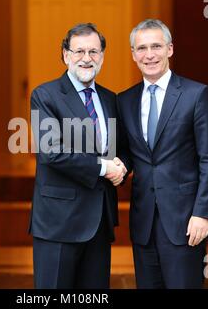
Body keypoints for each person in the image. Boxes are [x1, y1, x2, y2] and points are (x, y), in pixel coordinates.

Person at [116, 19, 208, 288]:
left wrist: (204, 213)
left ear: (170, 49)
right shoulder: (124, 100)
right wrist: (117, 166)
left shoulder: (196, 94)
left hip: (186, 221)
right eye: (141, 48)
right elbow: (129, 152)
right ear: (133, 54)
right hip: (143, 224)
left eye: (156, 46)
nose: (149, 54)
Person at [30, 23, 126, 289]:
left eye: (94, 51)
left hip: (99, 221)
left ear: (103, 57)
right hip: (58, 222)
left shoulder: (110, 99)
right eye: (79, 51)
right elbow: (52, 151)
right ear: (65, 54)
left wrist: (122, 166)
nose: (87, 58)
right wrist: (103, 168)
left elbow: (121, 148)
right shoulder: (45, 95)